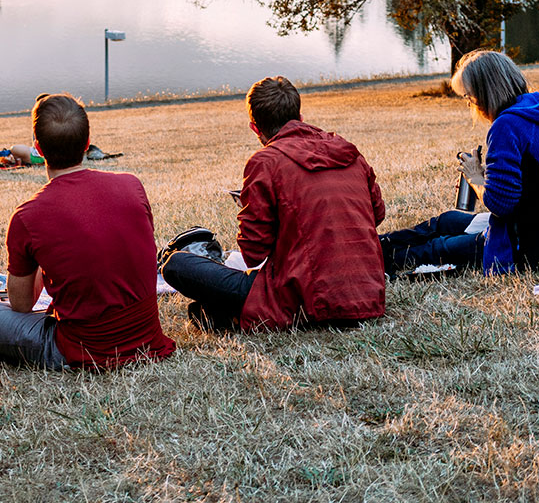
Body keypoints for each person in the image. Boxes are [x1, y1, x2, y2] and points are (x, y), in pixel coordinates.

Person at [0, 93, 176, 369]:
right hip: (147, 338)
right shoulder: (131, 185)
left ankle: (8, 352)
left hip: (81, 349)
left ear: (38, 149)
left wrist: (43, 260)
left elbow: (21, 306)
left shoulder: (28, 216)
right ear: (87, 143)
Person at [159, 76, 386, 331]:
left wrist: (251, 209)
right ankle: (219, 314)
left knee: (176, 265)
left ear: (255, 128)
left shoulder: (266, 162)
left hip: (304, 299)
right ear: (300, 116)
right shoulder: (349, 152)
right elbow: (377, 214)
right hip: (369, 295)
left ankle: (225, 313)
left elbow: (253, 252)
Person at [381, 50, 539, 275]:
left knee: (438, 247)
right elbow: (534, 184)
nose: (470, 105)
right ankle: (376, 244)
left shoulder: (507, 125)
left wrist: (476, 178)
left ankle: (372, 257)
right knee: (446, 220)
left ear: (485, 93)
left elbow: (501, 205)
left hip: (537, 247)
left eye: (469, 97)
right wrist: (490, 176)